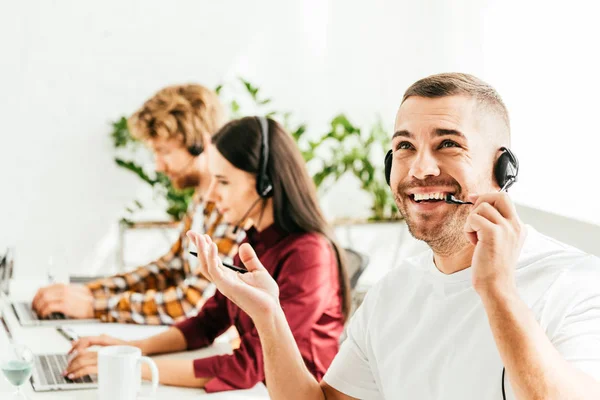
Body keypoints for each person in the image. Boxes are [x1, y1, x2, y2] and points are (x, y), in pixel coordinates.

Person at [184, 73, 600, 399]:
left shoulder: (576, 285)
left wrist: (497, 290)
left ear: (502, 169)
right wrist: (268, 315)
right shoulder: (394, 292)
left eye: (448, 144)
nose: (419, 169)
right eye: (403, 147)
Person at [63, 116, 352, 392]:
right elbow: (207, 323)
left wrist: (134, 367)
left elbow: (249, 366)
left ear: (266, 183)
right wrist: (131, 349)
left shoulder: (309, 255)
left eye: (223, 182)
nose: (211, 195)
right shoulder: (254, 242)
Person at [31, 84, 248, 325]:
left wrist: (95, 306)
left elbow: (192, 302)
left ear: (200, 144)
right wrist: (91, 292)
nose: (158, 165)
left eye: (163, 151)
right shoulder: (200, 201)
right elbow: (170, 268)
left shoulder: (234, 207)